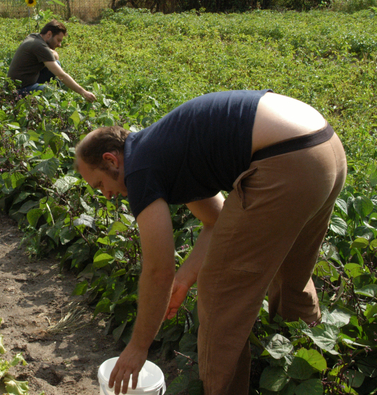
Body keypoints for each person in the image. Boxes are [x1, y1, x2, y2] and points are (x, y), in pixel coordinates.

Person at [74, 90, 347, 395]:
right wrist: (185, 278)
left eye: (100, 184)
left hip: (287, 159)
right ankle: (307, 368)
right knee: (291, 273)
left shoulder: (139, 169)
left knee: (219, 293)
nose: (106, 195)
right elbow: (214, 221)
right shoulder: (165, 147)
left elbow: (157, 270)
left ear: (111, 160)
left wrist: (138, 347)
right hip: (325, 149)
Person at [7, 20, 96, 102]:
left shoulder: (34, 37)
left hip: (26, 81)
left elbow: (55, 56)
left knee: (56, 63)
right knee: (55, 93)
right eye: (58, 40)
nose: (59, 45)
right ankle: (57, 98)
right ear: (49, 34)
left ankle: (54, 93)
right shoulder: (39, 46)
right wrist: (83, 92)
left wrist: (53, 54)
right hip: (19, 90)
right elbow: (61, 75)